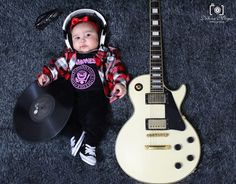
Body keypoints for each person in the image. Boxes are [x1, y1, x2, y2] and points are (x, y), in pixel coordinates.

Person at [37, 9, 129, 166]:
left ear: (101, 37)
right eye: (77, 37)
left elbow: (116, 69)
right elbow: (57, 67)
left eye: (88, 35)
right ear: (69, 41)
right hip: (71, 96)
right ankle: (76, 133)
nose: (83, 40)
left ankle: (90, 145)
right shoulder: (69, 56)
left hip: (95, 95)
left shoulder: (105, 55)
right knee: (59, 119)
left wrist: (120, 83)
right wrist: (47, 76)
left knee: (98, 119)